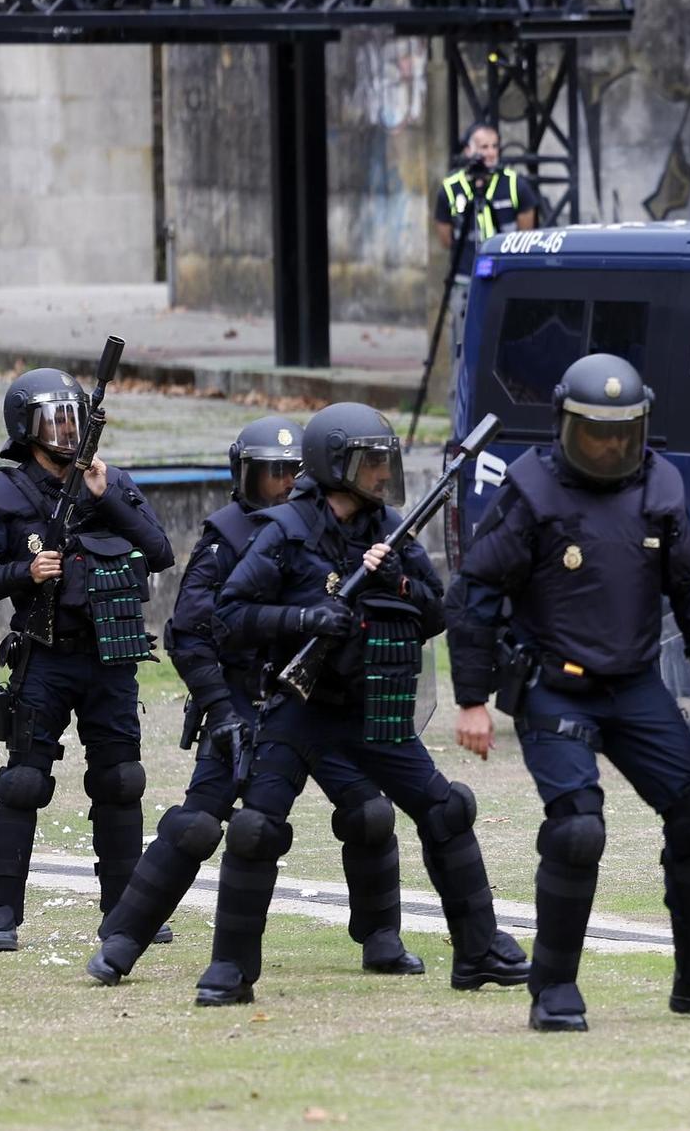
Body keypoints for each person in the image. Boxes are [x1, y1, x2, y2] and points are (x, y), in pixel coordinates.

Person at [447, 354, 690, 1031]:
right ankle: (554, 991)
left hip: (634, 688)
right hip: (554, 690)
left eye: (622, 431)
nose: (608, 445)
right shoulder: (532, 490)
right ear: (566, 425)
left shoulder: (660, 487)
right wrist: (472, 700)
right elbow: (474, 595)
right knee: (576, 833)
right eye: (595, 431)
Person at [201, 403, 528, 1006]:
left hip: (373, 708)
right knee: (255, 828)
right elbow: (228, 615)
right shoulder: (285, 530)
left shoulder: (392, 531)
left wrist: (394, 581)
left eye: (386, 462)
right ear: (334, 466)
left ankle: (478, 950)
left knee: (447, 810)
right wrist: (304, 617)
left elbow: (437, 611)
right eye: (369, 463)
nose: (381, 474)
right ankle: (229, 970)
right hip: (300, 706)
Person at [87, 418, 423, 986]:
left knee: (370, 813)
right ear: (244, 475)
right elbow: (190, 635)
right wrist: (221, 710)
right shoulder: (225, 540)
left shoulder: (339, 529)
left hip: (322, 705)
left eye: (294, 474)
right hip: (245, 705)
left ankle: (382, 936)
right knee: (198, 826)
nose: (284, 486)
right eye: (272, 475)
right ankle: (122, 940)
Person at [0, 369, 175, 952]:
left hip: (111, 658)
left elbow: (159, 552)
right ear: (25, 430)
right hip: (44, 660)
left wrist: (107, 497)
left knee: (122, 782)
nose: (68, 432)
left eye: (74, 418)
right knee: (23, 783)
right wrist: (20, 572)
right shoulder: (2, 497)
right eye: (55, 420)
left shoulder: (110, 483)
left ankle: (127, 914)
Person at [434, 122, 537, 341]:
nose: (490, 153)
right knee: (464, 340)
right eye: (483, 147)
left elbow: (526, 234)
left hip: (505, 277)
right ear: (468, 151)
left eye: (494, 146)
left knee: (506, 339)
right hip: (465, 279)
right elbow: (445, 239)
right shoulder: (452, 188)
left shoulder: (514, 184)